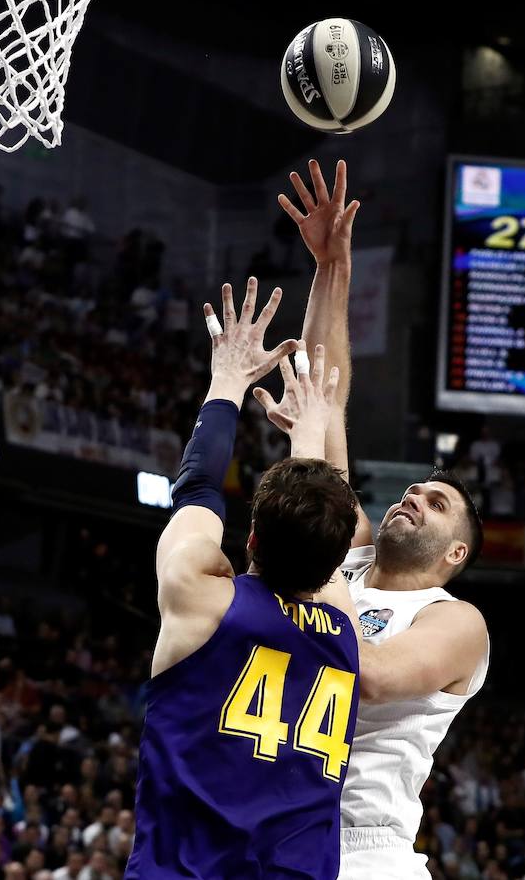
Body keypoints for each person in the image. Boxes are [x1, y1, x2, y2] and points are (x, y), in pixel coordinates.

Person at [276, 160, 490, 880]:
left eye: (435, 503)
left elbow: (367, 675)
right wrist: (330, 270)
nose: (413, 499)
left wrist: (321, 562)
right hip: (275, 822)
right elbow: (325, 395)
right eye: (414, 491)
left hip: (364, 850)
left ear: (455, 551)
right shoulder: (350, 553)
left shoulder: (454, 620)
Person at [125, 278, 362, 879]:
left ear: (250, 539)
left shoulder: (200, 597)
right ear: (340, 562)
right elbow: (328, 522)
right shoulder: (346, 626)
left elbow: (198, 488)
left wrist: (228, 380)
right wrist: (309, 434)